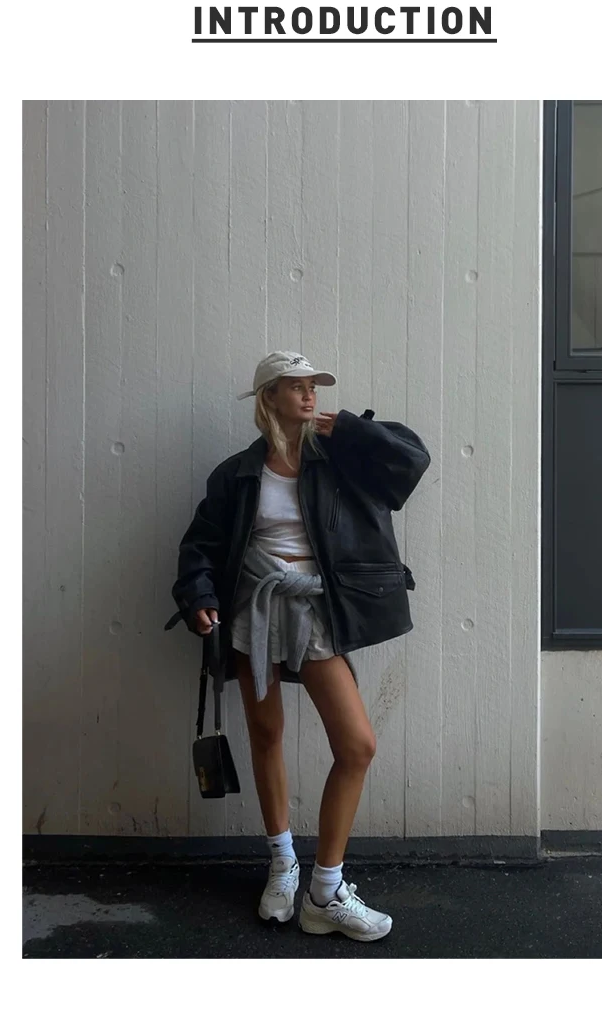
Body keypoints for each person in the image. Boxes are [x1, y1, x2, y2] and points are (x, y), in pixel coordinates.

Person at [168, 350, 430, 942]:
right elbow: (202, 542)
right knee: (266, 735)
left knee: (357, 745)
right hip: (253, 609)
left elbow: (411, 462)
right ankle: (282, 863)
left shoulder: (341, 458)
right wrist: (198, 594)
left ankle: (325, 890)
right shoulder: (237, 473)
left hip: (316, 610)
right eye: (296, 386)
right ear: (269, 398)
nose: (310, 394)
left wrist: (355, 431)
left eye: (313, 385)